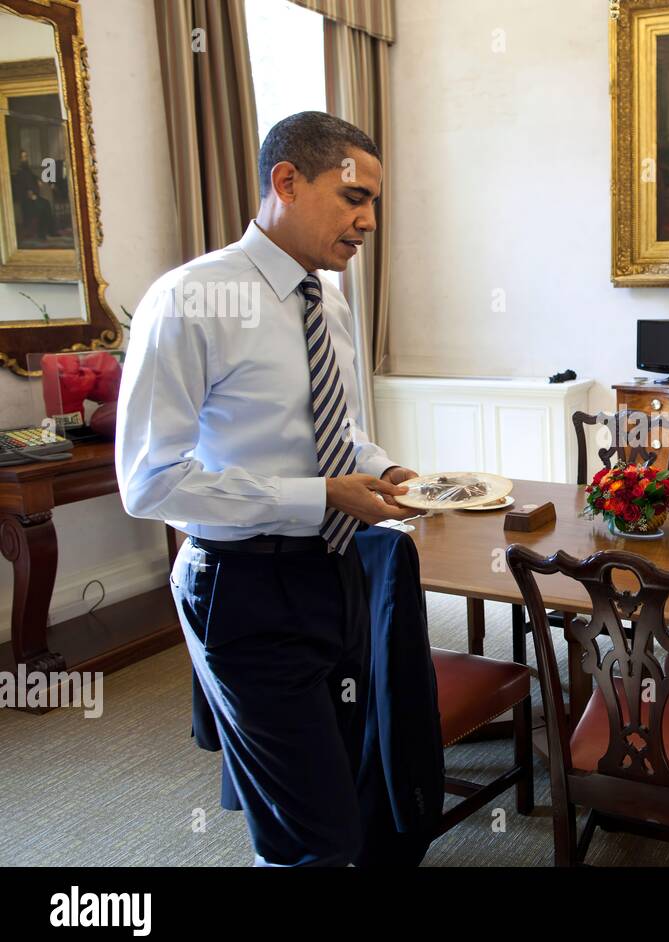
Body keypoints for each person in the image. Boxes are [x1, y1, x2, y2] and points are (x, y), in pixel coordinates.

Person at [115, 110, 425, 866]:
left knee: (345, 803)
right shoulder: (188, 300)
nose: (369, 221)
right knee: (308, 839)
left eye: (375, 204)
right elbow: (151, 484)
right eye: (355, 198)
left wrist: (378, 466)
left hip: (337, 575)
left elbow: (335, 426)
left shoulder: (330, 299)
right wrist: (320, 497)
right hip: (245, 590)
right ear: (285, 181)